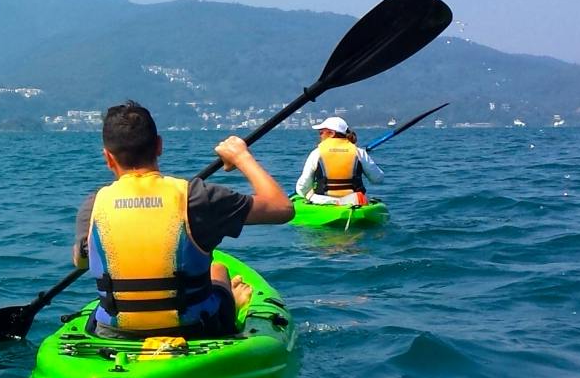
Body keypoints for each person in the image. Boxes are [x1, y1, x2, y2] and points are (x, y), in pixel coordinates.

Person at [71, 101, 294, 339]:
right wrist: (241, 157)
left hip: (114, 332)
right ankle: (232, 300)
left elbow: (81, 262)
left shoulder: (94, 205)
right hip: (194, 330)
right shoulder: (197, 197)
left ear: (108, 157)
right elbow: (281, 208)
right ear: (159, 146)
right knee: (218, 270)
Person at [295, 116, 383, 206]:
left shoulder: (316, 153)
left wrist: (304, 193)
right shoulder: (359, 152)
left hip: (323, 201)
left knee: (308, 194)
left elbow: (303, 185)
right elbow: (378, 178)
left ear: (332, 133)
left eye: (321, 132)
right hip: (354, 201)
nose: (320, 136)